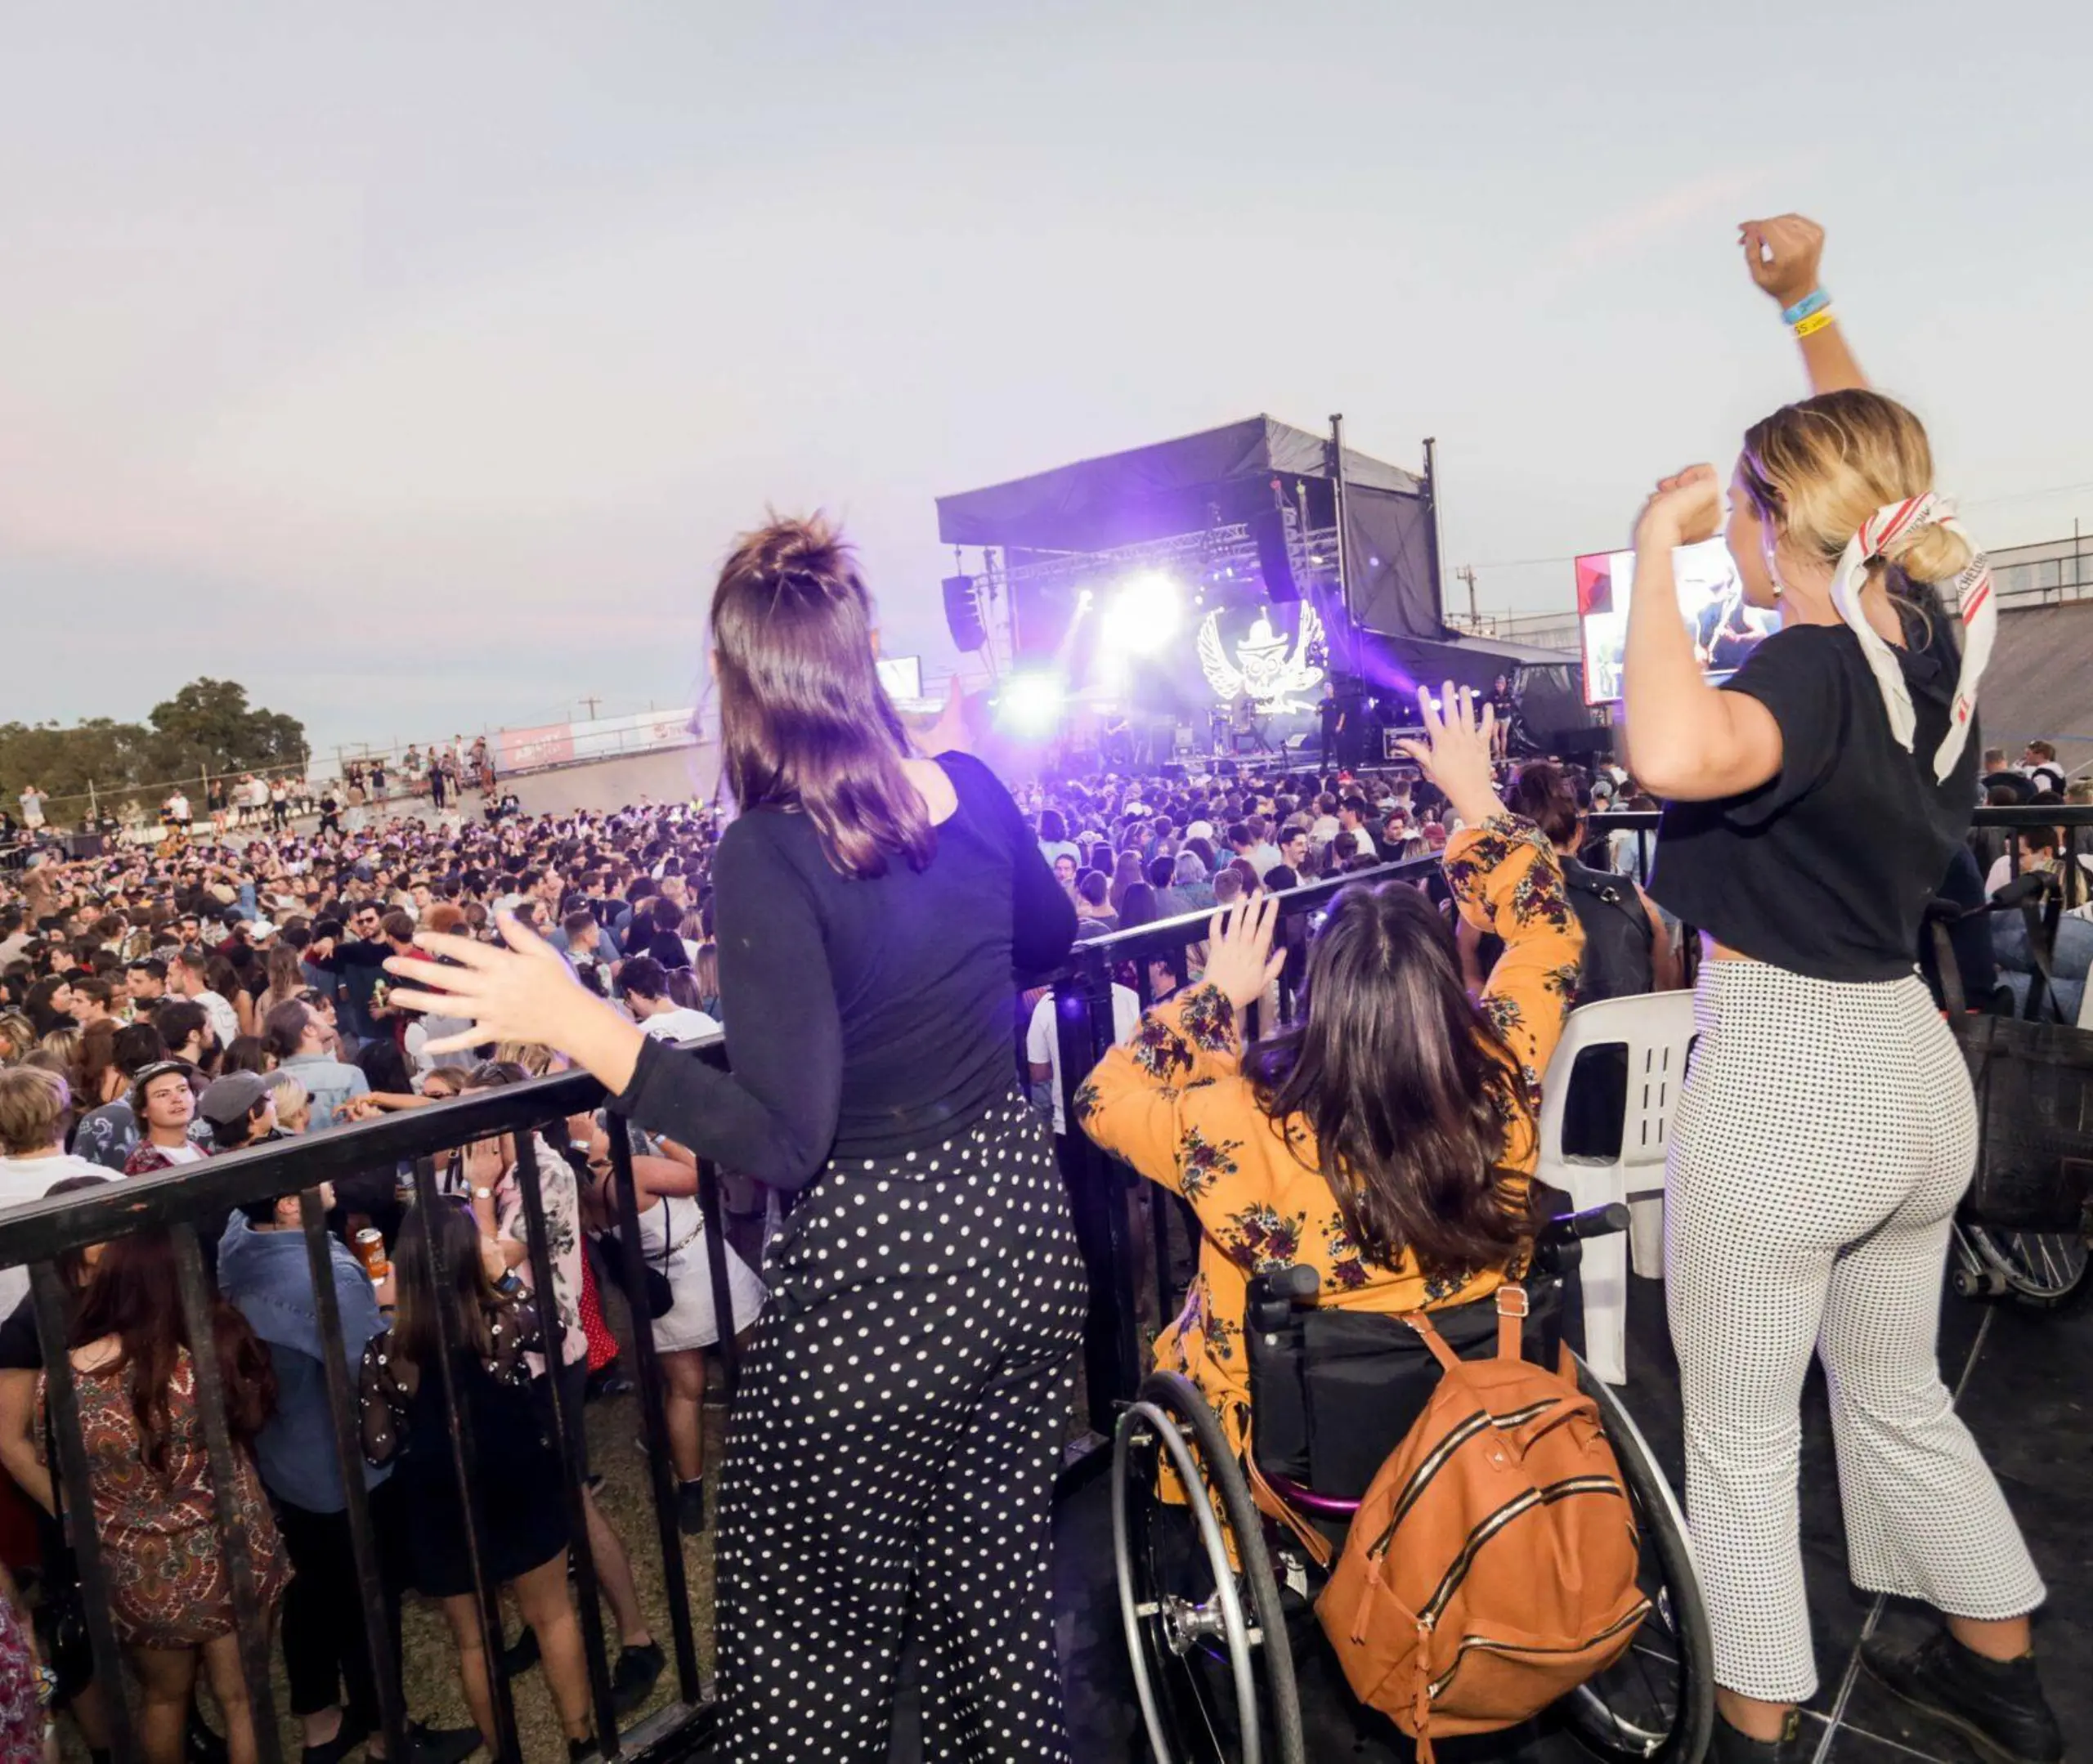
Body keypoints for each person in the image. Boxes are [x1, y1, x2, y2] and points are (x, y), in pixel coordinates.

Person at [383, 513, 1087, 1758]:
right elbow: (1045, 941)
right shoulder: (968, 786)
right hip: (1019, 1231)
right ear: (865, 652)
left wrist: (579, 1022)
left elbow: (783, 1134)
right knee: (994, 1586)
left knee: (810, 1631)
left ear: (739, 681)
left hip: (890, 1275)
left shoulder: (769, 848)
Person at [1624, 215, 2059, 1761]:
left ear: (1771, 524)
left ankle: (1751, 1727)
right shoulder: (1943, 644)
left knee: (1741, 1440)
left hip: (1790, 1079)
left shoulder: (1804, 672)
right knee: (1895, 1395)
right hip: (1910, 1071)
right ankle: (2002, 1668)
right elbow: (1884, 481)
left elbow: (1670, 754)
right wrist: (1803, 304)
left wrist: (1651, 566)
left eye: (1746, 515)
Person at [1078, 685, 1580, 1485]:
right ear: (1446, 986)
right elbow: (1548, 930)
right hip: (1475, 1419)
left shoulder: (1239, 1119)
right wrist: (1477, 797)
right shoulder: (1498, 1070)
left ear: (1323, 999)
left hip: (1299, 1454)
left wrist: (1217, 994)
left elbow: (1101, 1100)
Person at [44, 1229, 290, 1764]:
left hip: (138, 1569)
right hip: (229, 1555)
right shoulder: (206, 1357)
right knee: (244, 1700)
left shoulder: (61, 1378)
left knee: (161, 1700)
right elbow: (253, 1420)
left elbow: (53, 1457)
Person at [359, 1203, 593, 1759]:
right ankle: (583, 1741)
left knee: (473, 1641)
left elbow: (377, 1448)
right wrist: (505, 1276)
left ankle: (503, 1751)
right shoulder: (501, 1321)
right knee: (553, 1615)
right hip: (516, 1474)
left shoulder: (387, 1352)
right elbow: (556, 1325)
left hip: (441, 1495)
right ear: (471, 1256)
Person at [583, 1125, 763, 1533]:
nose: (596, 1124)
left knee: (684, 1392)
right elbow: (702, 1173)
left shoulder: (576, 1189)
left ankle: (690, 1495)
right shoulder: (632, 1172)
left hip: (656, 1293)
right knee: (759, 1368)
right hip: (704, 1275)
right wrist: (657, 1130)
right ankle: (772, 1461)